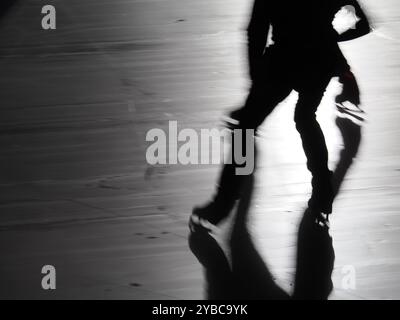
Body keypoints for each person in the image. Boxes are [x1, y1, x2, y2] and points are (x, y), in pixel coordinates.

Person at [191, 0, 371, 226]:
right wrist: (331, 39)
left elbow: (256, 28)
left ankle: (224, 202)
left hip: (283, 59)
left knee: (246, 126)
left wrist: (255, 75)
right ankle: (323, 192)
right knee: (305, 118)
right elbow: (363, 25)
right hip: (320, 58)